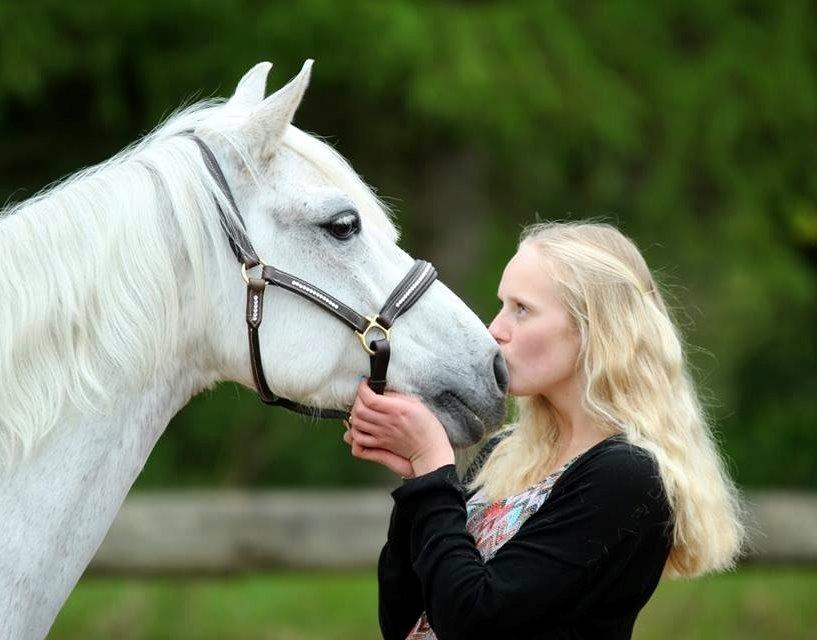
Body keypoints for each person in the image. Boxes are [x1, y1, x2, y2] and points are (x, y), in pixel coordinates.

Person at [342, 221, 745, 640]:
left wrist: (432, 466)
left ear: (594, 328)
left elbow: (475, 623)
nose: (494, 329)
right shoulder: (506, 454)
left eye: (522, 309)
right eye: (501, 305)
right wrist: (418, 482)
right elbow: (406, 620)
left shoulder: (627, 476)